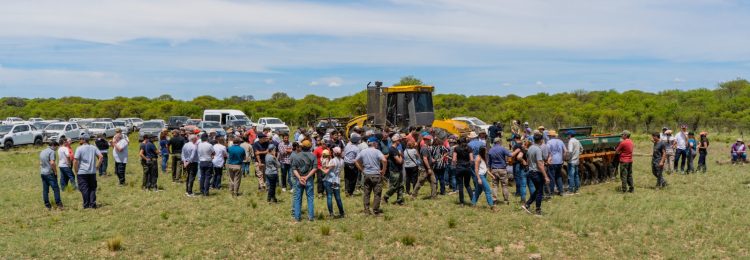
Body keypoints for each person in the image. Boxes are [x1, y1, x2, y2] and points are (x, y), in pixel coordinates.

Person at [355, 136, 387, 215]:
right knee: (377, 194)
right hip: (376, 174)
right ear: (374, 143)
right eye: (377, 143)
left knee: (366, 193)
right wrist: (383, 170)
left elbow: (356, 161)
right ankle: (375, 211)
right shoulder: (377, 151)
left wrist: (362, 169)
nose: (377, 145)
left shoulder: (363, 151)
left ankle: (366, 210)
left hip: (367, 175)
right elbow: (384, 160)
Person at [521, 133, 550, 216]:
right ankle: (538, 210)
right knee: (540, 192)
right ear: (541, 140)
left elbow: (528, 161)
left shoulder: (530, 148)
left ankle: (527, 204)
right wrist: (546, 176)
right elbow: (540, 164)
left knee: (537, 190)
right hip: (537, 172)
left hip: (531, 172)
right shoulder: (538, 150)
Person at [73, 134, 103, 209]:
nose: (79, 140)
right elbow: (101, 157)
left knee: (84, 188)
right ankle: (92, 204)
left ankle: (86, 204)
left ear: (83, 140)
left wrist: (76, 170)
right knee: (92, 188)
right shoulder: (93, 147)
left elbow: (75, 160)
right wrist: (97, 166)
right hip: (92, 172)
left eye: (80, 139)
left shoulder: (79, 148)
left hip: (82, 172)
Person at [292, 140, 317, 222]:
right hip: (308, 180)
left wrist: (300, 177)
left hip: (299, 180)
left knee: (298, 198)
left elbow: (294, 169)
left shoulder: (296, 156)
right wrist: (306, 177)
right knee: (310, 198)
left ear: (302, 147)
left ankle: (297, 217)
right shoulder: (313, 156)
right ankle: (311, 217)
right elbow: (314, 168)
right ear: (310, 147)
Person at [487, 137, 512, 204]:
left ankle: (494, 200)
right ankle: (506, 200)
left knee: (495, 185)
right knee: (504, 185)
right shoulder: (502, 148)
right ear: (499, 142)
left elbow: (489, 162)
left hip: (494, 170)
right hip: (502, 169)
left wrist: (489, 172)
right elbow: (510, 154)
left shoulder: (490, 150)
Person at [322, 147, 345, 218]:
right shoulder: (342, 161)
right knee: (338, 197)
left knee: (329, 196)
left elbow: (326, 170)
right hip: (337, 180)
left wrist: (321, 167)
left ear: (334, 153)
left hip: (329, 180)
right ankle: (342, 213)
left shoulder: (333, 161)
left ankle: (331, 213)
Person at [40, 141, 63, 209]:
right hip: (49, 173)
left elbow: (40, 163)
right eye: (56, 147)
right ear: (54, 145)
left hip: (43, 173)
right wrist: (55, 171)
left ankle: (47, 205)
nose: (57, 148)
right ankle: (59, 203)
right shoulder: (52, 152)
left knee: (45, 190)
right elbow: (52, 163)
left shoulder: (42, 151)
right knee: (56, 189)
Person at [383, 134, 405, 205]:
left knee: (401, 186)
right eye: (399, 140)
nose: (400, 141)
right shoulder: (393, 150)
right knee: (394, 186)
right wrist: (401, 155)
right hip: (395, 171)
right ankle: (385, 197)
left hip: (399, 170)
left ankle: (400, 200)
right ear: (396, 141)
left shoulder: (395, 149)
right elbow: (399, 161)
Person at [453, 137, 474, 206]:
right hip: (467, 168)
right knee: (467, 185)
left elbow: (454, 159)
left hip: (459, 168)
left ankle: (462, 202)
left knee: (460, 185)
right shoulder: (469, 148)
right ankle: (473, 201)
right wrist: (469, 165)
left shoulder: (456, 148)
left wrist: (455, 165)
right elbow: (471, 159)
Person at [545, 130, 566, 196]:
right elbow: (565, 151)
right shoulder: (560, 141)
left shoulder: (548, 142)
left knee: (551, 177)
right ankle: (561, 191)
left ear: (550, 136)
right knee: (558, 176)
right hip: (560, 162)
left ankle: (551, 192)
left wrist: (546, 160)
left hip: (552, 162)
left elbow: (547, 152)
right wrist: (563, 159)